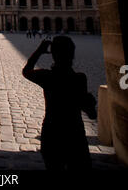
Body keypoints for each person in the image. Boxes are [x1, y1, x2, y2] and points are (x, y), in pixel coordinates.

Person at [22, 35, 97, 170]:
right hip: (75, 134)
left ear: (53, 55)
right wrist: (90, 103)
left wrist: (39, 51)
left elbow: (26, 71)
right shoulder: (79, 79)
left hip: (51, 132)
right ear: (72, 54)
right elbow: (92, 114)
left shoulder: (48, 76)